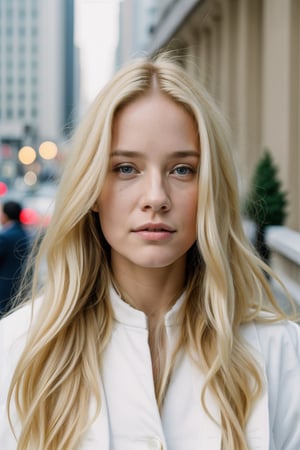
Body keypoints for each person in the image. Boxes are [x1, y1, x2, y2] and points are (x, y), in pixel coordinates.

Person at [0, 55, 299, 450]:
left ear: (210, 186)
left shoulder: (282, 353)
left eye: (182, 170)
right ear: (92, 189)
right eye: (126, 168)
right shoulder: (18, 350)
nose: (155, 198)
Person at [0, 200, 30, 317]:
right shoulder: (24, 234)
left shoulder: (5, 237)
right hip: (20, 286)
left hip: (3, 289)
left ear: (5, 215)